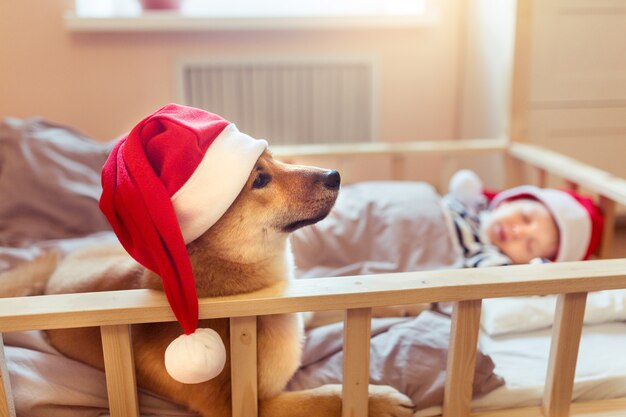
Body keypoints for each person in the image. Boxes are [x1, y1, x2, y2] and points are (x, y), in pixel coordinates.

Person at [441, 169, 604, 268]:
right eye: (525, 218)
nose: (518, 232)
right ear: (508, 201)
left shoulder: (490, 258)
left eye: (530, 246)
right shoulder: (474, 203)